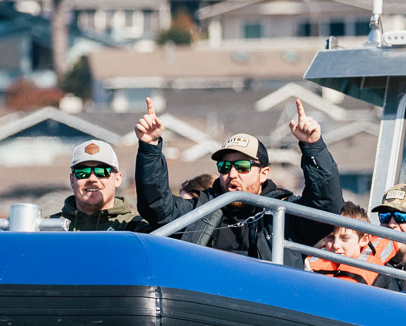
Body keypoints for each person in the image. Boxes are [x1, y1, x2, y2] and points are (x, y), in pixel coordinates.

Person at [133, 96, 342, 259]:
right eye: (224, 167)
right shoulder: (200, 209)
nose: (231, 174)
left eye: (242, 166)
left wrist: (313, 146)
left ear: (264, 174)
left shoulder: (284, 213)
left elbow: (326, 207)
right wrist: (150, 148)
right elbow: (157, 207)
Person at [58, 139, 143, 231]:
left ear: (117, 179)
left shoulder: (135, 228)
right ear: (72, 180)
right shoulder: (49, 228)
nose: (92, 179)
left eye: (102, 171)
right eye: (82, 172)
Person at [305, 202, 381, 284]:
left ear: (364, 240)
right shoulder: (307, 265)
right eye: (330, 237)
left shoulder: (381, 277)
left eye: (345, 238)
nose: (335, 245)